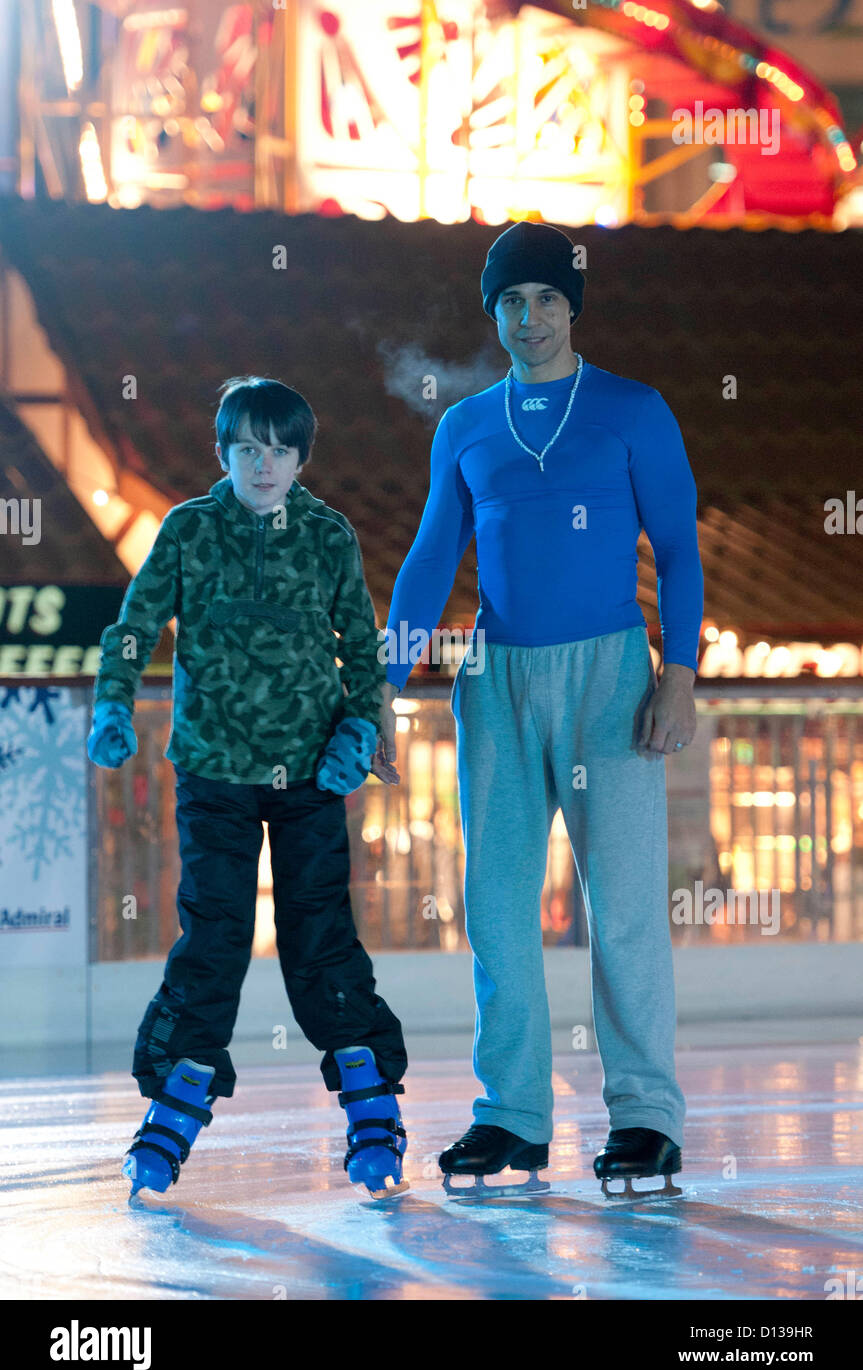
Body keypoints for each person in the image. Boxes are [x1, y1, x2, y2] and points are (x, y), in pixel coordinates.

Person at [376, 222, 704, 1198]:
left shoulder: (630, 410)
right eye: (509, 303)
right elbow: (431, 562)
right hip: (497, 679)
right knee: (496, 909)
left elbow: (679, 548)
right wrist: (384, 689)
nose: (527, 318)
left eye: (544, 300)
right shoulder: (466, 426)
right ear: (495, 314)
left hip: (610, 677)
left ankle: (643, 1115)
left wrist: (677, 671)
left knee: (626, 906)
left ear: (570, 306)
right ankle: (511, 1117)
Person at [87, 376, 409, 1201]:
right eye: (247, 449)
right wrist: (113, 708)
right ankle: (176, 1100)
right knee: (216, 935)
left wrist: (357, 731)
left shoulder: (328, 536)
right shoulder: (190, 530)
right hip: (214, 774)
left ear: (302, 458)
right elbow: (132, 627)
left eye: (279, 450)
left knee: (318, 936)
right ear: (222, 453)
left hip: (308, 775)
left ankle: (369, 1096)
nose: (262, 465)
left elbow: (363, 653)